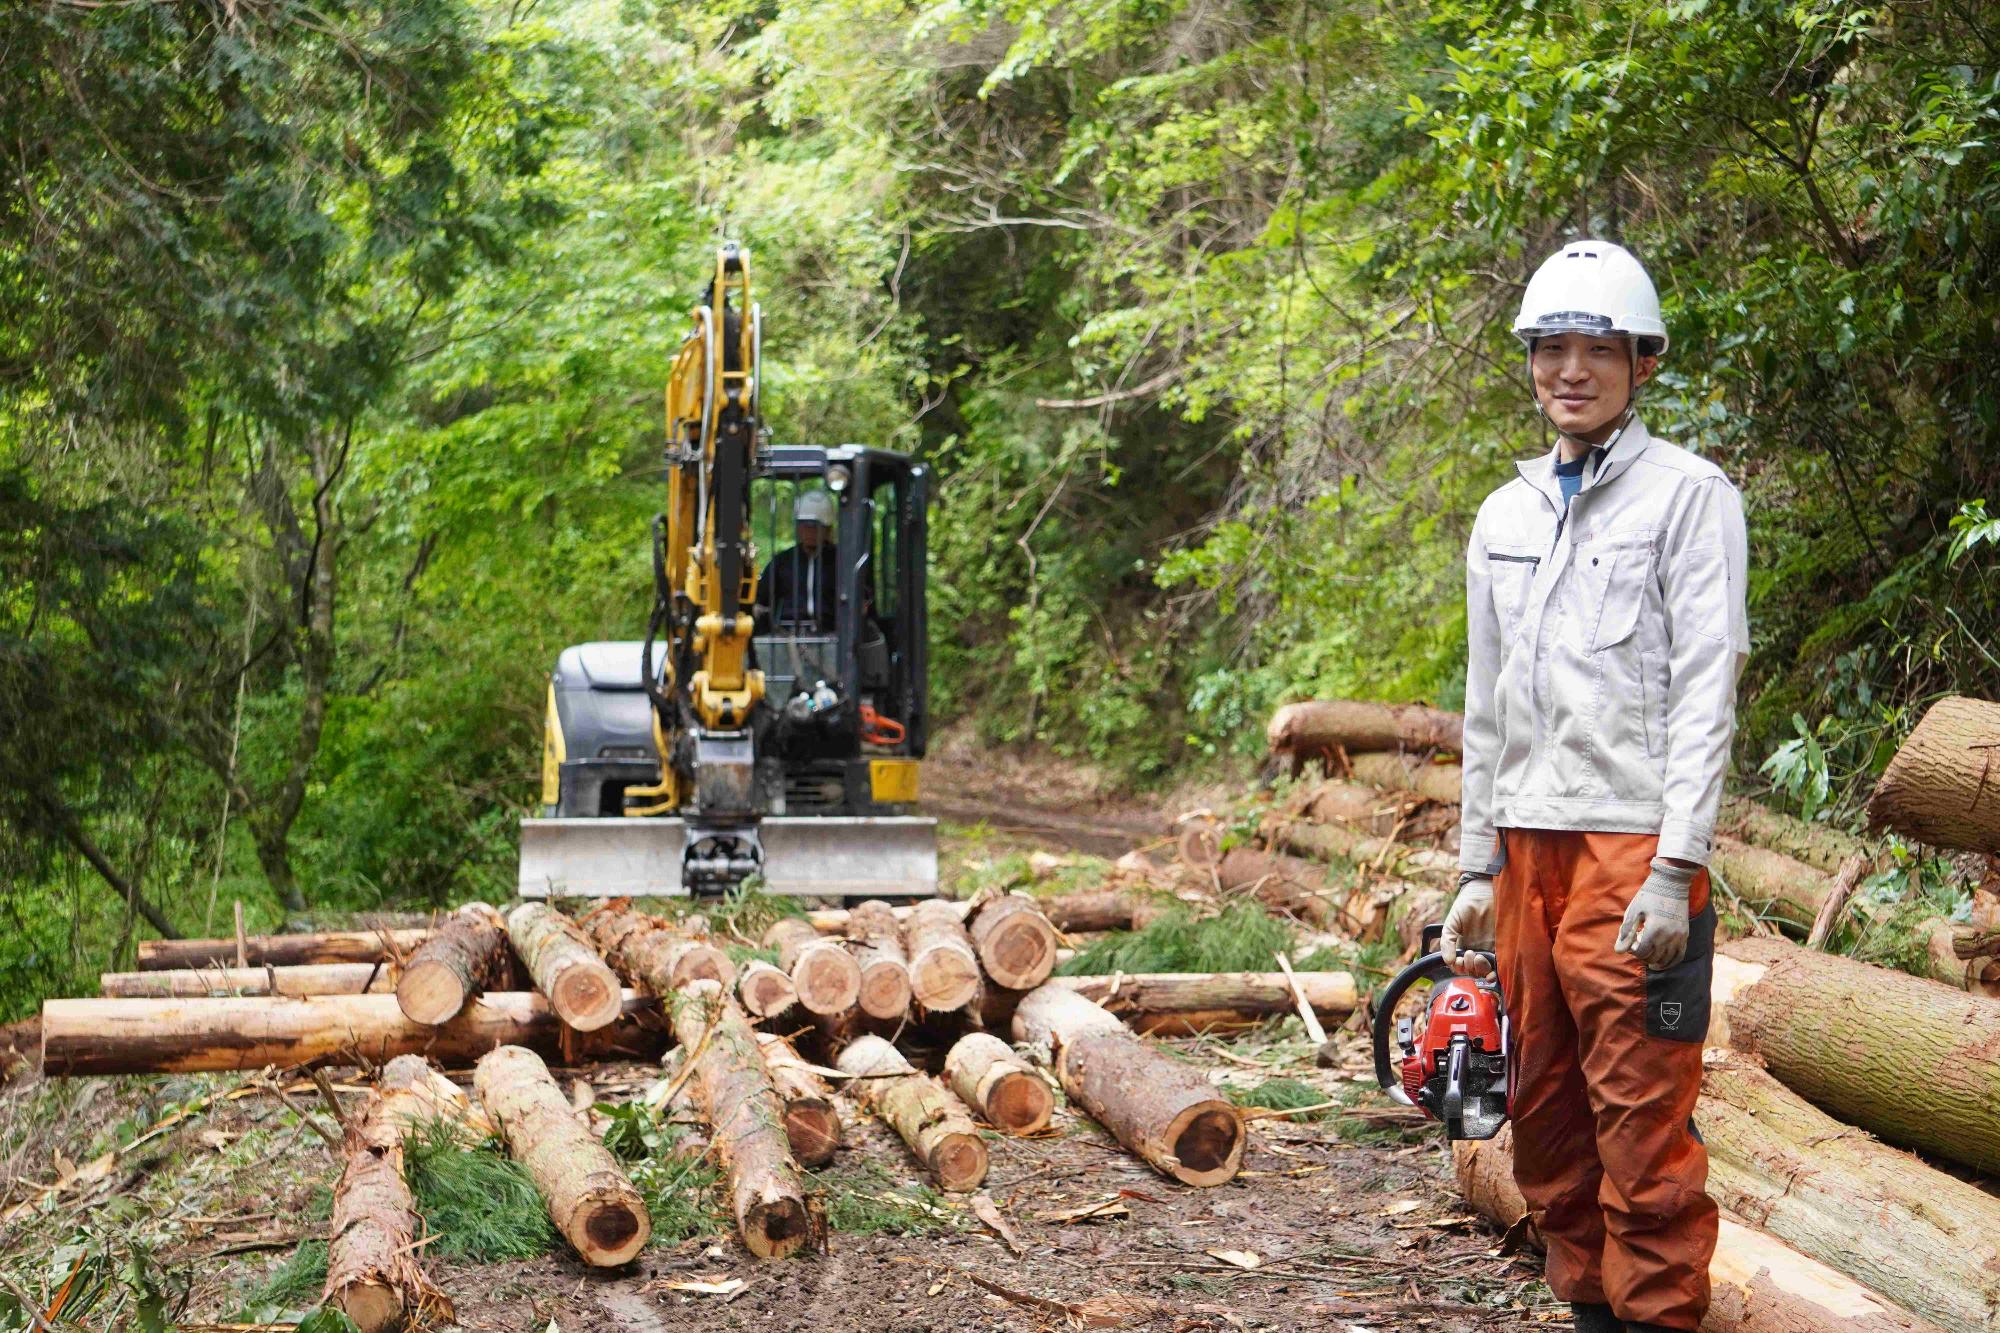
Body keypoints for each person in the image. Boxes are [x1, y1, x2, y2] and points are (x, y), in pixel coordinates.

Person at [1440, 240, 1749, 1333]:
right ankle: (1584, 1308)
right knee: (1544, 1112)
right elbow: (1485, 705)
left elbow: (1705, 691)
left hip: (1629, 854)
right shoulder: (1504, 516)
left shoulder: (1687, 498)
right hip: (1525, 849)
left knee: (1640, 1120)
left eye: (1595, 349)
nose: (1570, 369)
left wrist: (1676, 866)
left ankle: (1655, 1317)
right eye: (1550, 348)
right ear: (1530, 362)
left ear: (1640, 363)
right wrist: (1475, 862)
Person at [758, 488, 841, 631]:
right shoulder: (782, 562)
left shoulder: (840, 561)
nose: (809, 531)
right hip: (787, 637)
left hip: (833, 635)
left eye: (815, 526)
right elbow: (761, 600)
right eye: (804, 524)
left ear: (827, 529)